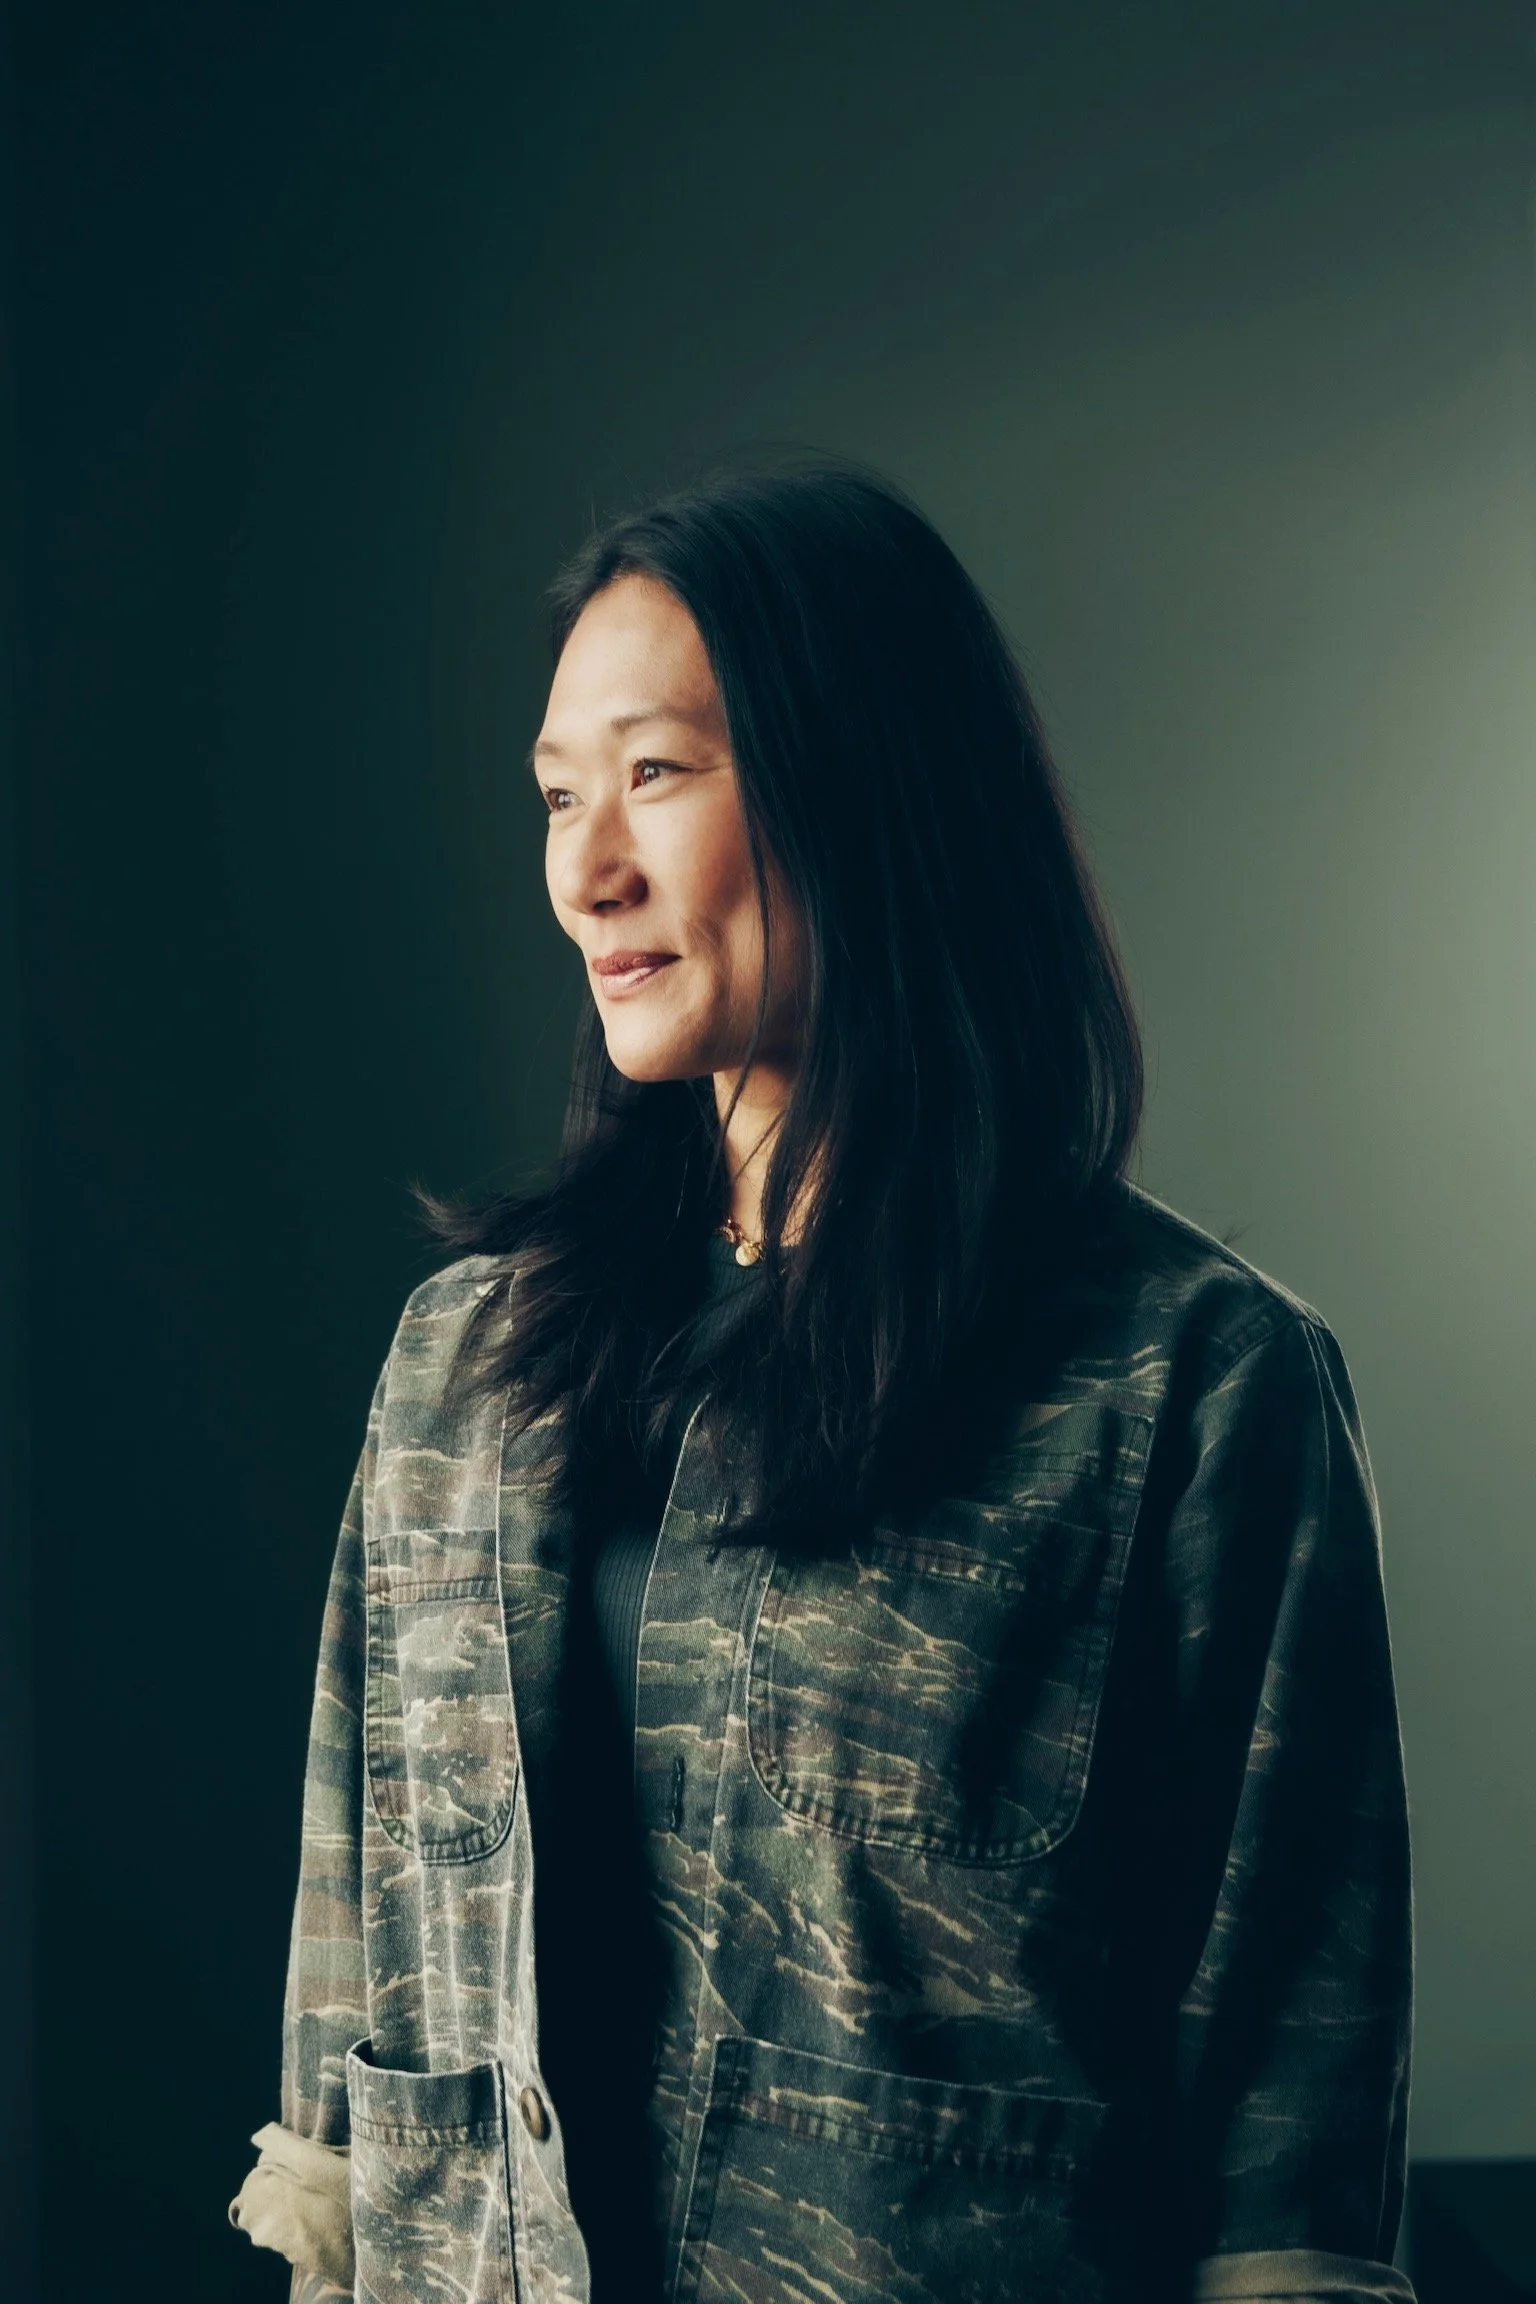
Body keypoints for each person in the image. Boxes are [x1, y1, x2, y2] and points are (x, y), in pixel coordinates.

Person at [230, 462, 1416, 2304]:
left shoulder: (1192, 1390)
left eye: (655, 774)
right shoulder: (466, 1367)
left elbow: (1291, 2112)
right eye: (556, 794)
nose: (583, 867)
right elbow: (353, 1934)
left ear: (867, 785)